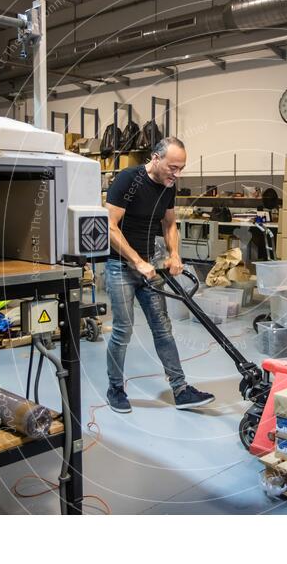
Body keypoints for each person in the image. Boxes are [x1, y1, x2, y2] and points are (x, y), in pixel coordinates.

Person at [104, 136, 215, 413]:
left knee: (162, 327)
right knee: (123, 330)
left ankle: (180, 389)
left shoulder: (168, 187)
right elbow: (109, 226)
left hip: (150, 264)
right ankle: (115, 388)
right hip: (120, 265)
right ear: (155, 158)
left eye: (181, 168)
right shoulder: (128, 180)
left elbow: (170, 224)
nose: (176, 174)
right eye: (172, 167)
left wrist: (174, 254)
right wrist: (137, 261)